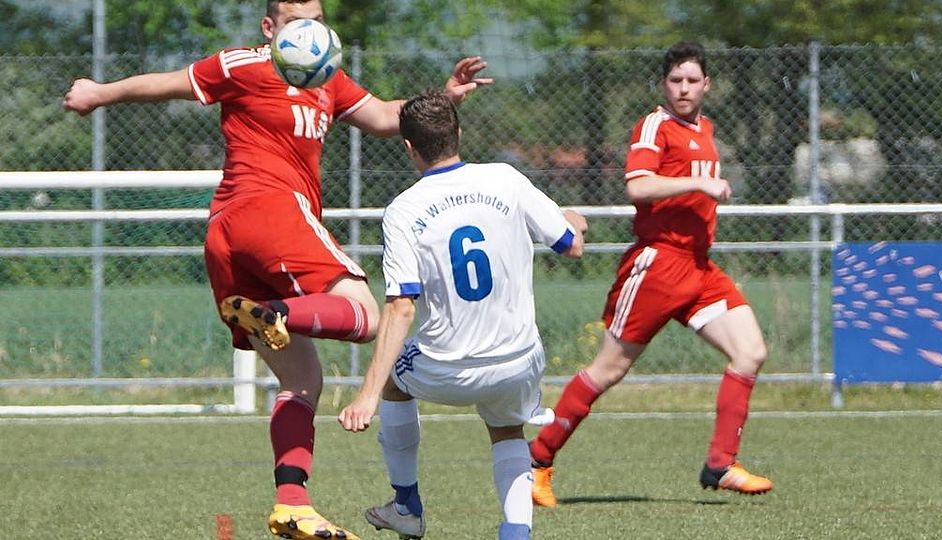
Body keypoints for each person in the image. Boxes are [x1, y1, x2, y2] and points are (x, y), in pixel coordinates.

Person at [62, 2, 492, 538]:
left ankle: (292, 503)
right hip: (268, 209)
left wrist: (444, 99)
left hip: (230, 235)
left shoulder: (326, 74)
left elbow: (385, 116)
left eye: (316, 19)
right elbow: (168, 83)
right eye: (294, 21)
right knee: (368, 315)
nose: (308, 31)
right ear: (269, 28)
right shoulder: (242, 64)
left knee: (302, 379)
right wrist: (99, 92)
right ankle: (274, 312)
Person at [528, 41, 773, 508]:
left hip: (699, 267)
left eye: (693, 80)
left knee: (750, 352)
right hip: (658, 265)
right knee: (608, 369)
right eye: (676, 80)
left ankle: (721, 464)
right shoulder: (655, 126)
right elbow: (638, 186)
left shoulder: (705, 128)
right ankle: (538, 459)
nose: (684, 88)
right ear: (664, 84)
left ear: (707, 84)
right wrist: (699, 182)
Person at [337, 90, 587, 540]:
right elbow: (571, 246)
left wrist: (367, 395)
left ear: (409, 147)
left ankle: (406, 506)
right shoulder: (505, 178)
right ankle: (516, 532)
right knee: (507, 428)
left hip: (447, 368)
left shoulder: (404, 209)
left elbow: (401, 306)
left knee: (394, 382)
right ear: (458, 133)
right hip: (518, 361)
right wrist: (575, 221)